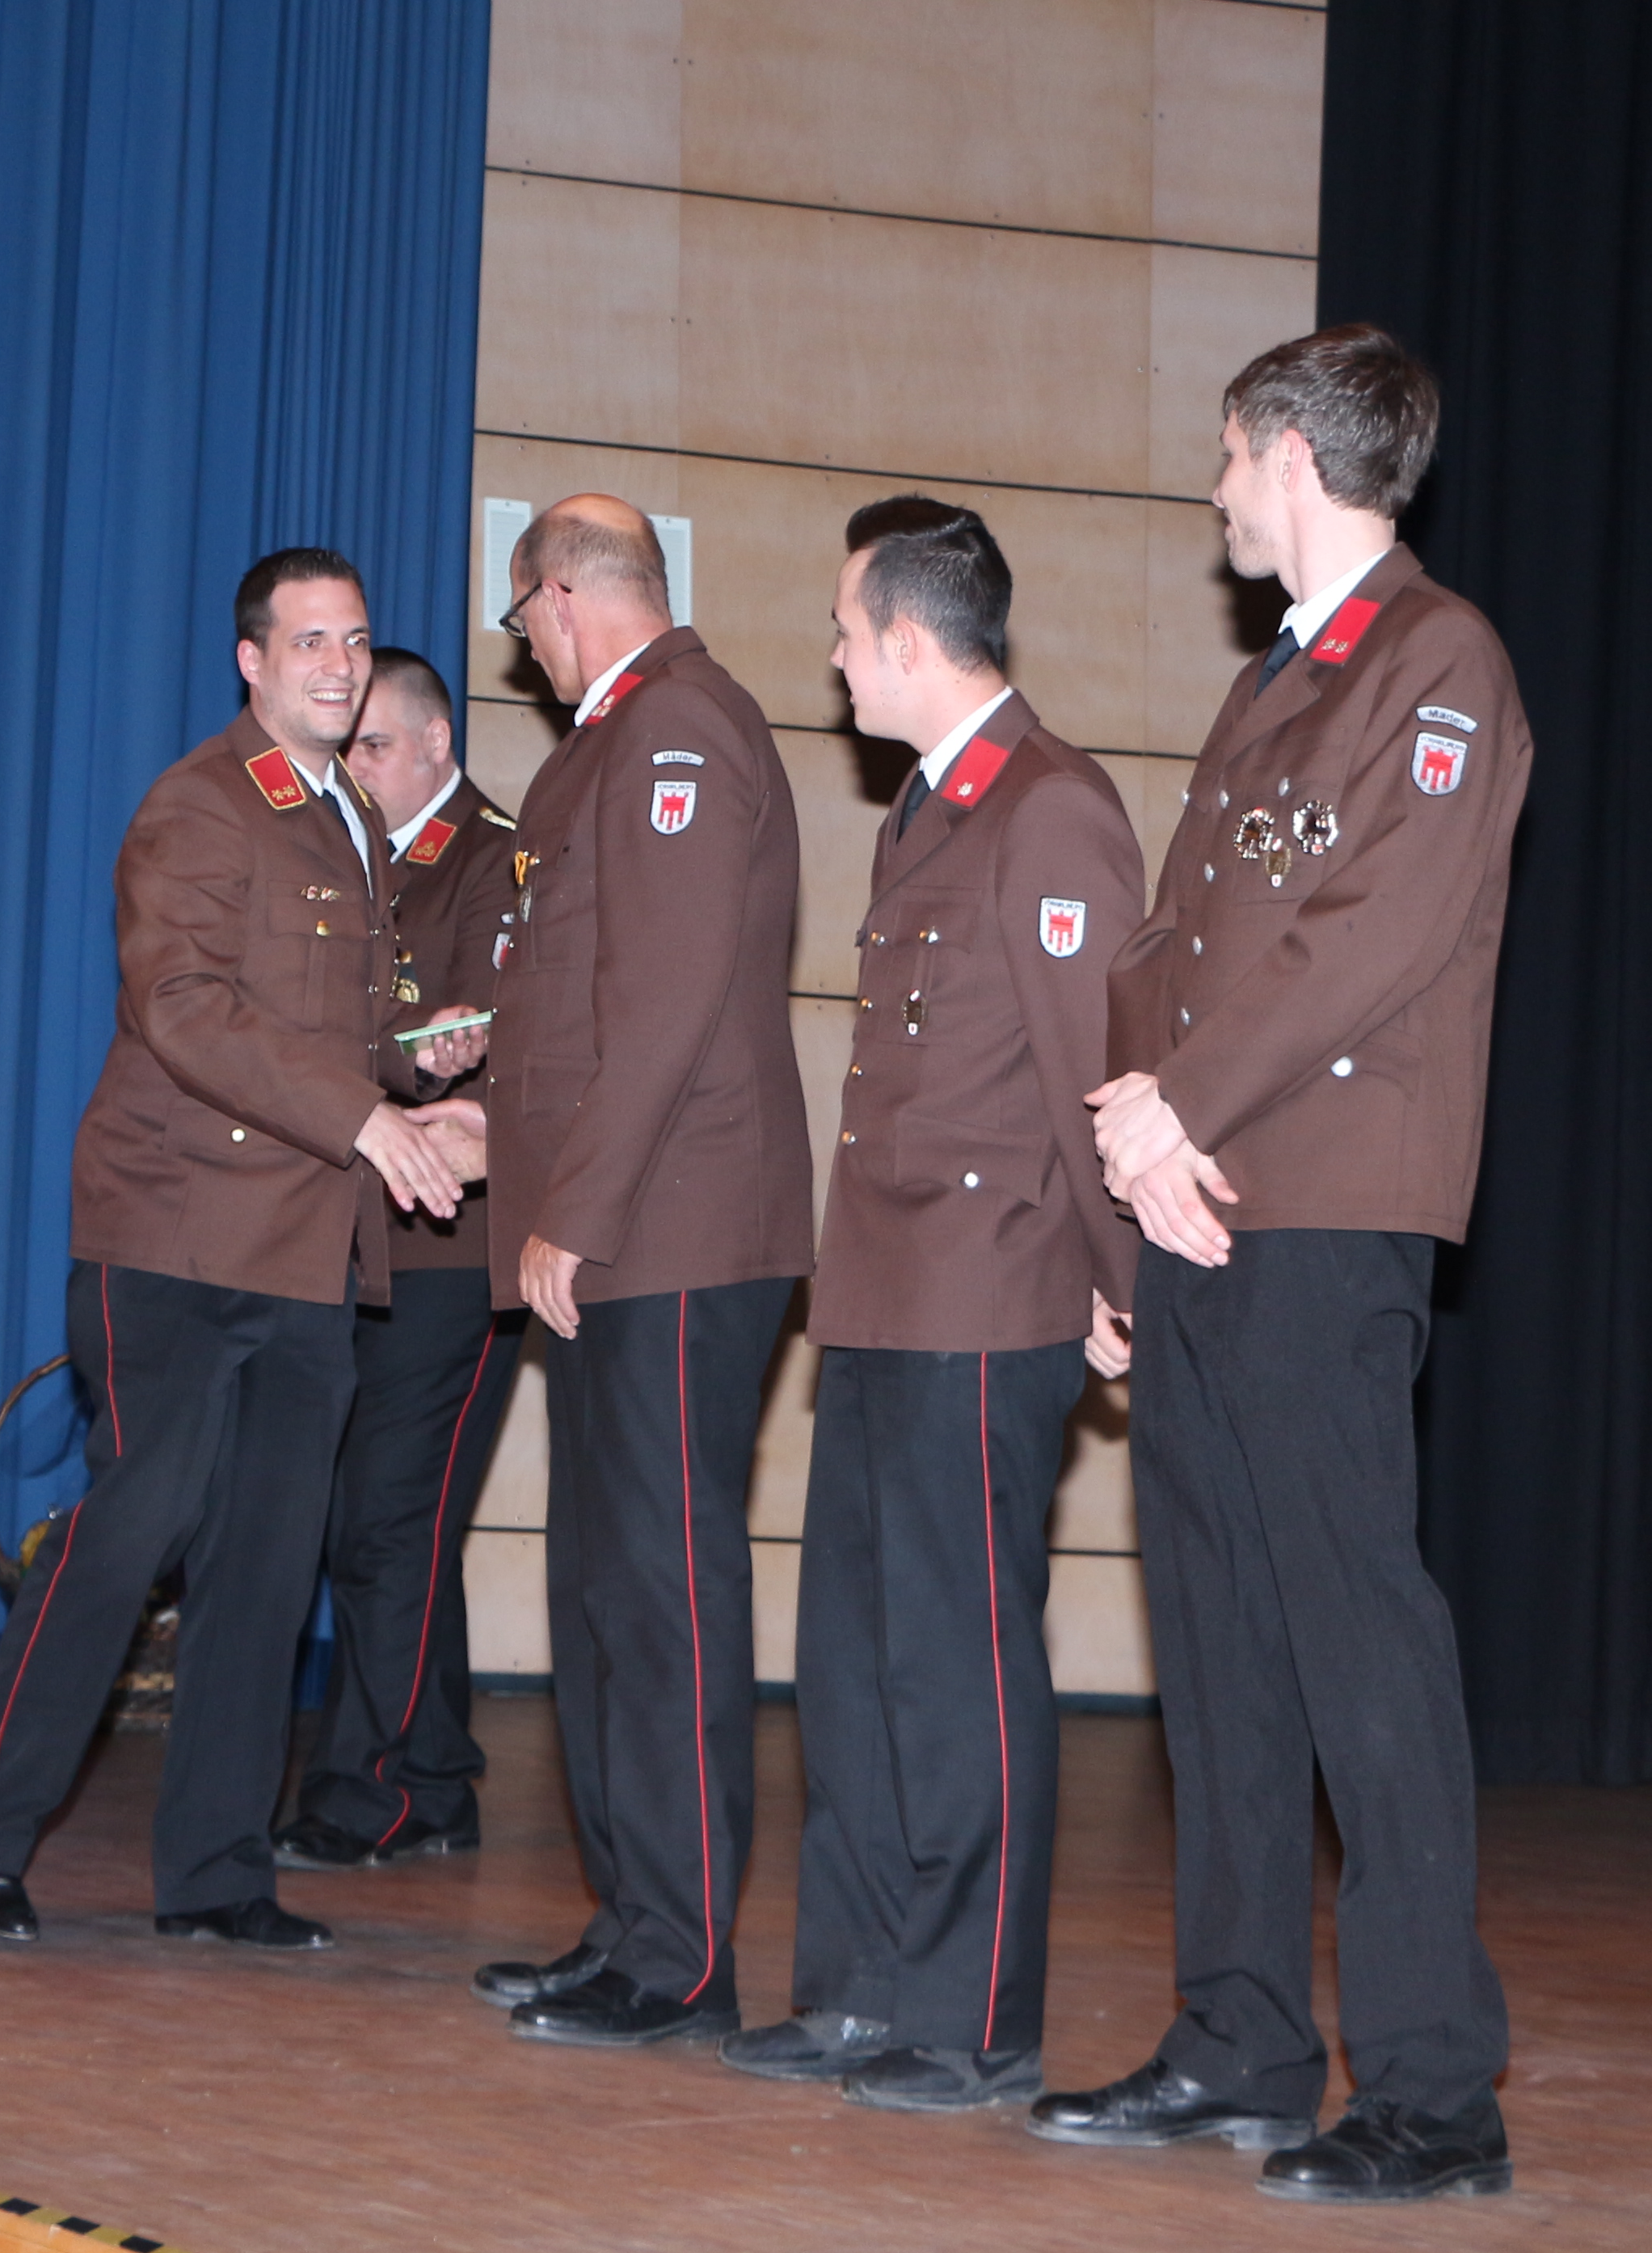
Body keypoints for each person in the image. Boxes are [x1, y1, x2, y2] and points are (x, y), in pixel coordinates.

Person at [1046, 323, 1532, 2202]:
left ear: (1289, 456)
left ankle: (1433, 2087)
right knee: (1222, 1640)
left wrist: (1177, 1107)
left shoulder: (1438, 659)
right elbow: (1171, 945)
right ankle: (1239, 2034)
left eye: (1228, 458)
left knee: (1354, 1637)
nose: (1215, 494)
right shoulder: (1279, 678)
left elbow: (1369, 934)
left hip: (1324, 1201)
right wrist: (1137, 1157)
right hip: (1202, 1199)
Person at [0, 550, 478, 1951]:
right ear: (251, 660)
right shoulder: (201, 804)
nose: (338, 666)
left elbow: (329, 1030)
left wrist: (418, 1069)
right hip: (173, 1232)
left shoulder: (353, 816)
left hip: (305, 1250)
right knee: (133, 1532)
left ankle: (217, 1874)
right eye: (309, 642)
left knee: (268, 1563)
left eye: (354, 641)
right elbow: (184, 1007)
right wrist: (364, 1115)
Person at [722, 500, 1144, 2115]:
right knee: (850, 1658)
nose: (832, 660)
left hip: (986, 1294)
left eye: (845, 634)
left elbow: (1095, 1070)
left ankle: (971, 2017)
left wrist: (1124, 1287)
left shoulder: (1050, 809)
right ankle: (854, 1988)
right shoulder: (928, 808)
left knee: (956, 1668)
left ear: (907, 639)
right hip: (884, 1291)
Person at [469, 494, 816, 2048]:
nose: (525, 651)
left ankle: (678, 1958)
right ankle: (629, 1922)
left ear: (559, 597)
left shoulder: (676, 724)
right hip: (617, 1232)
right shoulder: (607, 742)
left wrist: (579, 1207)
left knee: (663, 1590)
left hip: (667, 1229)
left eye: (521, 622)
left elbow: (668, 999)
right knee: (605, 1585)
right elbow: (578, 1006)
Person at [274, 647, 531, 1870]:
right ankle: (430, 1775)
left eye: (375, 746)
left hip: (453, 1242)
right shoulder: (348, 858)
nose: (355, 768)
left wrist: (386, 1057)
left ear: (438, 745)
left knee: (387, 1515)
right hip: (357, 1232)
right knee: (381, 1517)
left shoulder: (498, 859)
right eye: (346, 748)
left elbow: (472, 1032)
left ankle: (371, 1789)